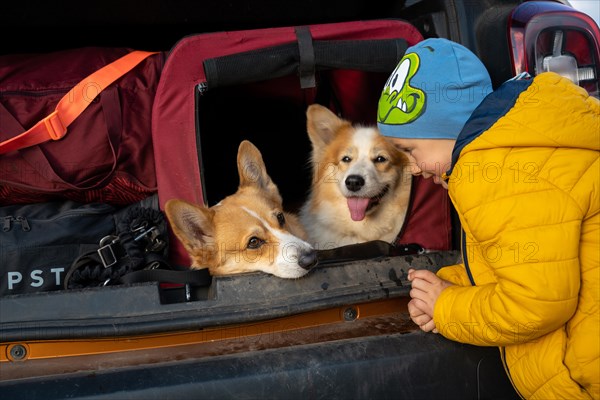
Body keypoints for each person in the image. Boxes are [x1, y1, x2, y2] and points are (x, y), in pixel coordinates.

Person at [377, 38, 599, 399]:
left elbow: (534, 305)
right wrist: (450, 286)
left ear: (447, 127)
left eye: (411, 150)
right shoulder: (526, 146)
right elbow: (532, 260)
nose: (414, 168)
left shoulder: (488, 173)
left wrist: (445, 307)